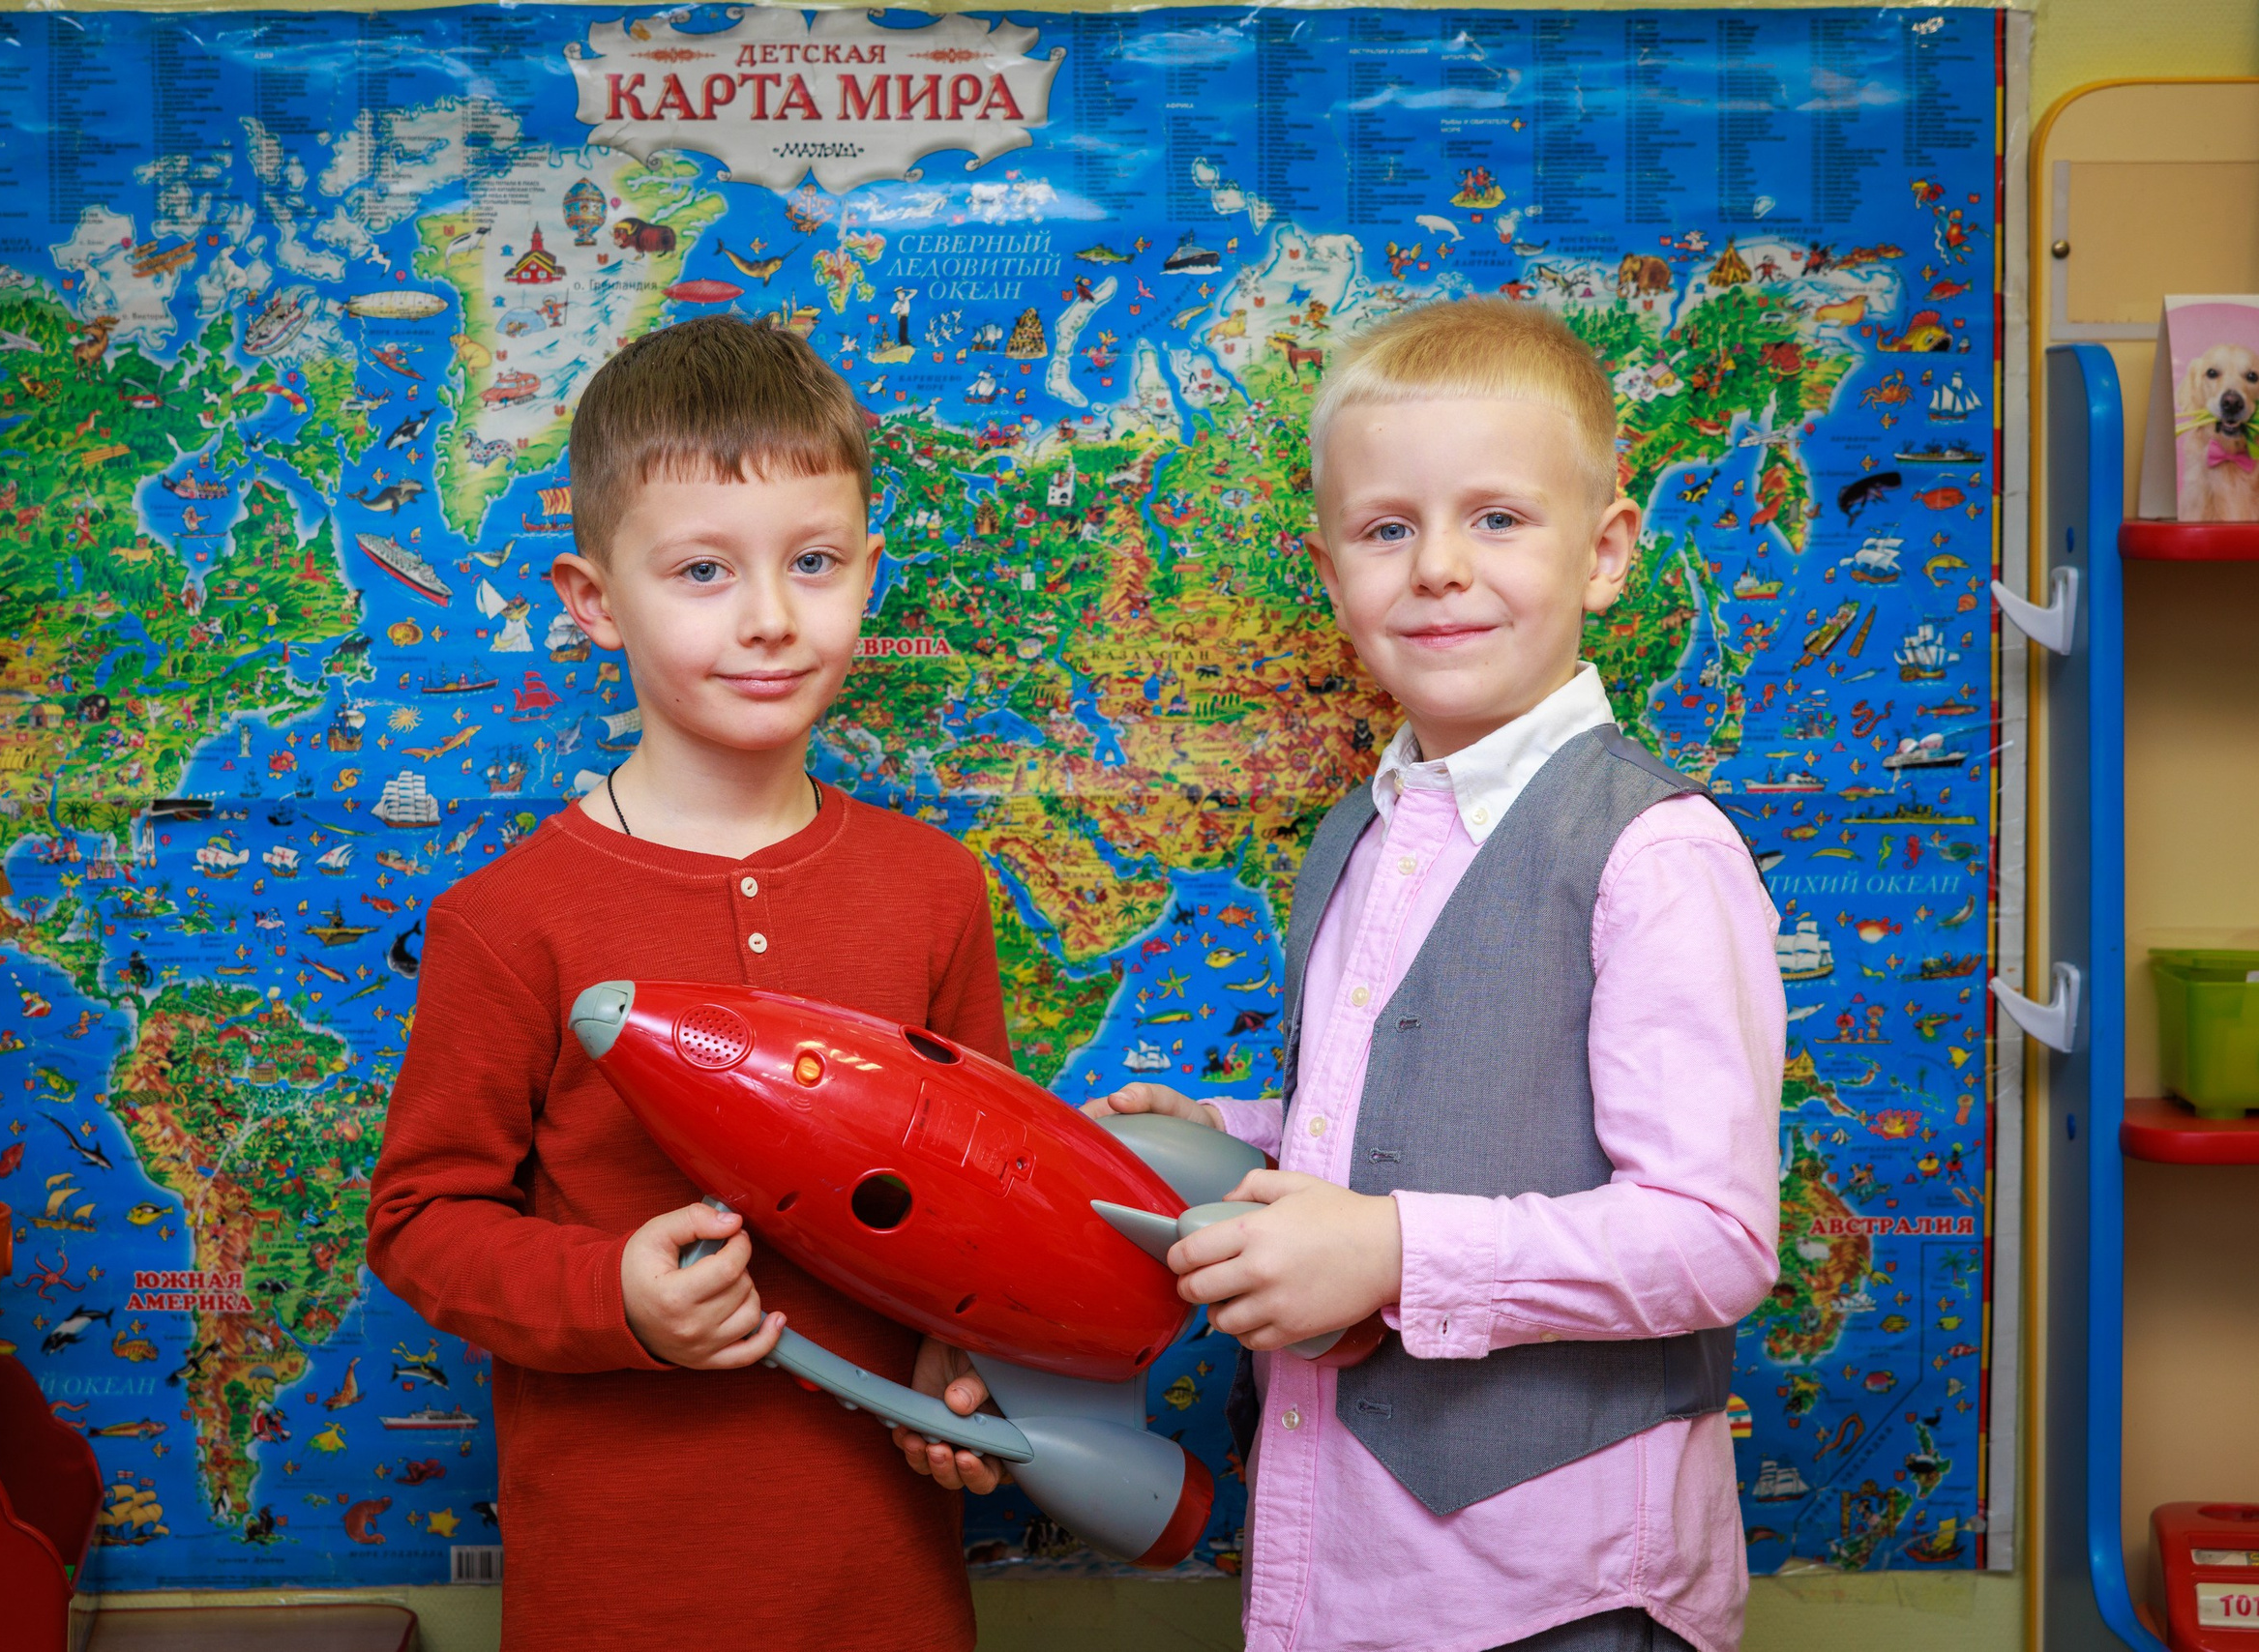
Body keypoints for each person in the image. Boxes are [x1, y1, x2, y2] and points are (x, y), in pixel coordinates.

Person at [905, 299, 1782, 1651]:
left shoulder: (1655, 855)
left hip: (1555, 1588)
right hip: (1345, 1568)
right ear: (1333, 576)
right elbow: (1424, 1108)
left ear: (1606, 554)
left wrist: (1387, 1252)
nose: (1438, 568)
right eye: (1388, 530)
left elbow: (1713, 1239)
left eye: (1498, 519)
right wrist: (1239, 1143)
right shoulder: (1356, 835)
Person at [369, 316, 1011, 1652]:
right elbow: (422, 1222)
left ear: (866, 575)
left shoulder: (937, 891)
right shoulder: (507, 922)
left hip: (881, 1585)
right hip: (621, 1592)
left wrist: (971, 1356)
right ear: (594, 600)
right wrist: (616, 1296)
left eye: (815, 563)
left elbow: (991, 1211)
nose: (771, 617)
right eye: (705, 570)